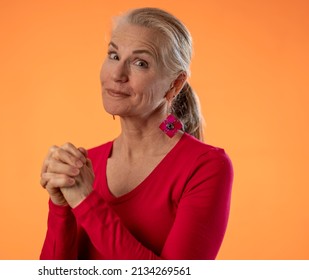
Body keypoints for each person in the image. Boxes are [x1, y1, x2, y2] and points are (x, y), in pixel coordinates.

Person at [39, 7, 233, 260]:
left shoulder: (206, 166)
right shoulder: (85, 166)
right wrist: (60, 205)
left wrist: (86, 202)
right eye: (113, 55)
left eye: (140, 63)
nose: (117, 74)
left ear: (175, 84)